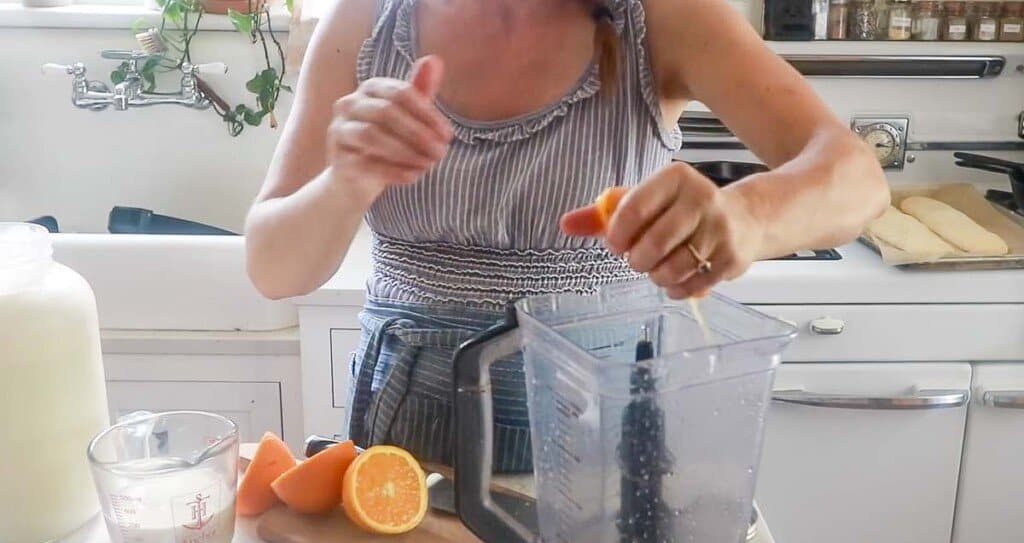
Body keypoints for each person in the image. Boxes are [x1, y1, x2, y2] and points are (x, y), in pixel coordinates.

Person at [245, 0, 888, 472]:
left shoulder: (662, 18)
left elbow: (857, 176)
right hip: (403, 429)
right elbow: (275, 269)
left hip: (598, 431)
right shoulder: (364, 21)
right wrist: (344, 182)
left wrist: (745, 216)